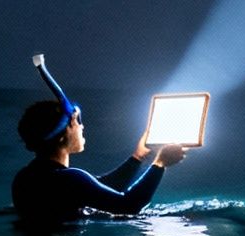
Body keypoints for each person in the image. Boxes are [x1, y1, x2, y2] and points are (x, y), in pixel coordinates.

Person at [12, 55, 187, 225]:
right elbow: (129, 206)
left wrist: (138, 157)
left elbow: (98, 187)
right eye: (77, 122)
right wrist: (160, 164)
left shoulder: (25, 178)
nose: (82, 127)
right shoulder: (69, 179)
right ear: (62, 135)